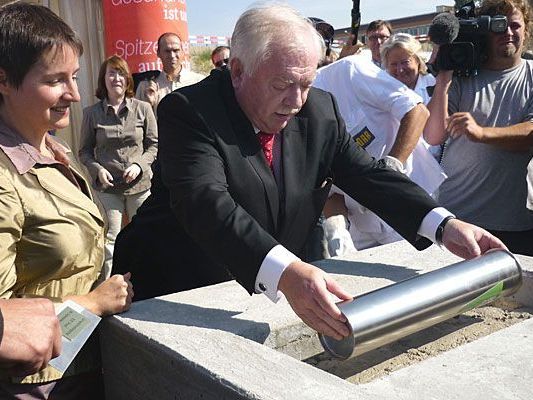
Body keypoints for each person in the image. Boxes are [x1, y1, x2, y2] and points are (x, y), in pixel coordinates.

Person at [115, 4, 505, 340]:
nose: (297, 101)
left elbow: (368, 176)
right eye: (283, 84)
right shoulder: (190, 111)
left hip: (257, 295)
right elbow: (206, 203)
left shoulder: (318, 110)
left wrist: (444, 225)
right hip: (176, 292)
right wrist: (285, 272)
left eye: (307, 83)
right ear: (237, 70)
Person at [0, 3, 133, 398]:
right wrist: (93, 303)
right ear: (4, 80)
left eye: (74, 77)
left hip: (77, 364)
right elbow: (10, 324)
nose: (74, 94)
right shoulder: (5, 179)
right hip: (37, 384)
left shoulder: (54, 148)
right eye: (57, 80)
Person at [425, 0, 533, 256]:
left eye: (515, 25)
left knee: (514, 296)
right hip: (458, 218)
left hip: (515, 222)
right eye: (499, 26)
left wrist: (482, 133)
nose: (508, 32)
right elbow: (433, 136)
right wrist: (442, 81)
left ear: (526, 31)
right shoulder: (463, 76)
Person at [313, 54, 446, 251]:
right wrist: (336, 228)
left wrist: (392, 166)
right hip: (359, 223)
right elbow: (331, 187)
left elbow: (417, 111)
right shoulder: (283, 116)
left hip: (406, 201)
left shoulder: (348, 71)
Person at [79, 55, 158, 278]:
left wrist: (138, 165)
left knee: (144, 235)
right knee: (110, 239)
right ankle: (109, 286)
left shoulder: (143, 109)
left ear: (128, 79)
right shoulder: (91, 113)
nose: (116, 78)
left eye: (121, 73)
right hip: (108, 188)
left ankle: (147, 281)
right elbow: (83, 151)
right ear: (103, 80)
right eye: (111, 73)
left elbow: (153, 146)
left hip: (140, 186)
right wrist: (97, 169)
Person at [135, 32, 204, 112]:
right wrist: (148, 105)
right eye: (167, 51)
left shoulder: (199, 82)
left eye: (176, 50)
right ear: (158, 53)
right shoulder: (145, 87)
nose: (172, 55)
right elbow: (137, 121)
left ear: (182, 51)